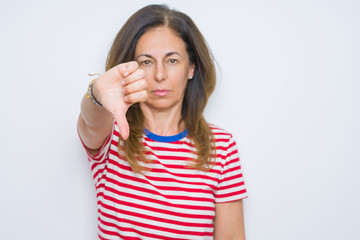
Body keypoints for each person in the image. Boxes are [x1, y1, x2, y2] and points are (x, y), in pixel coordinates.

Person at [77, 4, 248, 240]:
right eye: (146, 62)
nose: (159, 75)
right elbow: (90, 122)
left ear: (191, 68)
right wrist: (96, 94)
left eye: (172, 60)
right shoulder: (113, 132)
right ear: (130, 69)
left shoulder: (222, 146)